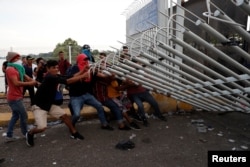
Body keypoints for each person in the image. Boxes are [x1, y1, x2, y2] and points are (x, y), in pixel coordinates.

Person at [26, 60, 88, 147]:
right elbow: (68, 81)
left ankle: (74, 132)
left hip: (49, 104)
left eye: (57, 67)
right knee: (42, 128)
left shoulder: (55, 76)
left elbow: (68, 76)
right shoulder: (50, 77)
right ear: (48, 69)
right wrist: (83, 75)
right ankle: (30, 133)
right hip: (39, 106)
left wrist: (83, 71)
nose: (56, 69)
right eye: (53, 68)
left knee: (64, 116)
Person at [67, 53, 113, 130]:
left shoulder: (90, 68)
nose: (86, 61)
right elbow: (70, 78)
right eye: (84, 59)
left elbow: (101, 75)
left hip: (86, 94)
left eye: (87, 59)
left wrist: (111, 74)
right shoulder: (74, 68)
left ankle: (104, 124)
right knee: (77, 115)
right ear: (79, 60)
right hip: (76, 96)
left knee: (99, 106)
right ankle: (71, 125)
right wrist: (83, 72)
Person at [5, 52, 38, 142]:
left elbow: (25, 76)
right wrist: (30, 83)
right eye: (18, 58)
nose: (20, 60)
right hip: (14, 98)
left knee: (15, 116)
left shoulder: (18, 68)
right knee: (24, 115)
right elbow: (16, 83)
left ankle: (9, 135)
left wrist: (35, 82)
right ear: (13, 59)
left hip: (17, 96)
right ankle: (26, 133)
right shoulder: (10, 69)